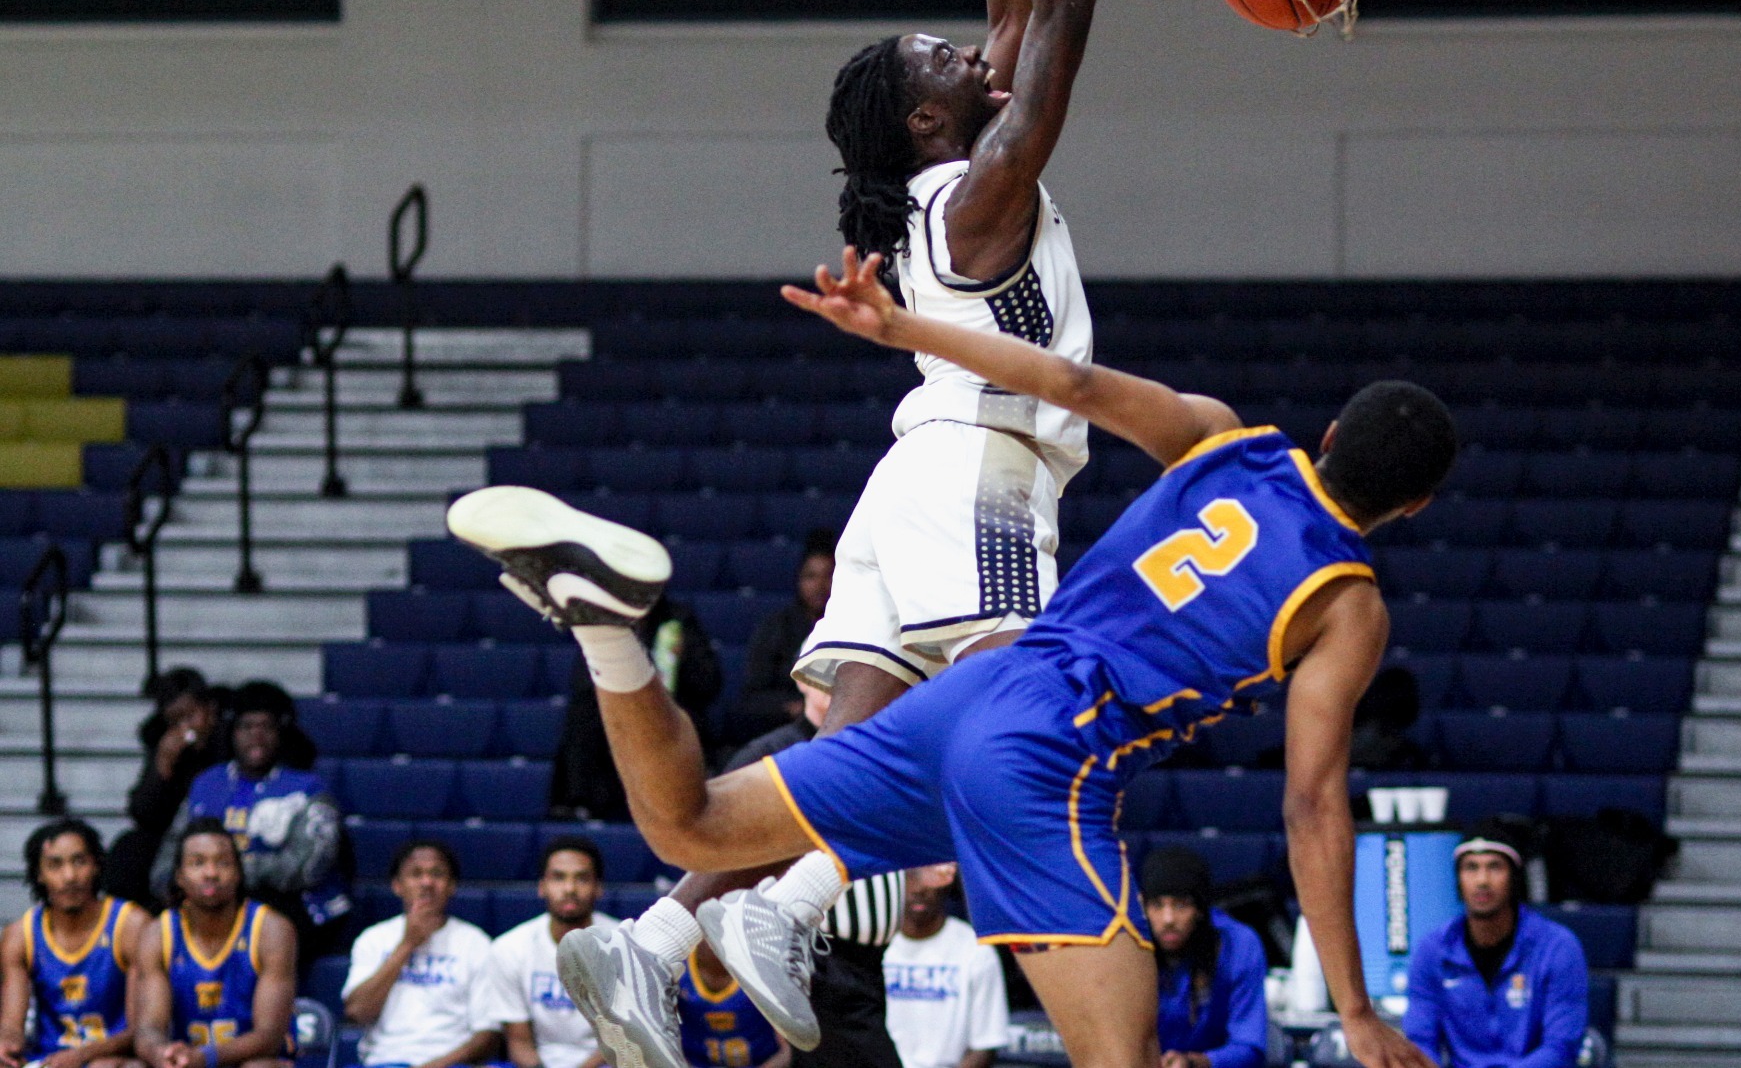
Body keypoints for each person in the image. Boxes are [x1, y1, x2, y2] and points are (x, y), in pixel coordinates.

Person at [451, 0, 1105, 1062]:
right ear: (928, 122)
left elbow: (1020, 20)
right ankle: (795, 903)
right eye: (943, 59)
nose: (971, 51)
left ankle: (652, 940)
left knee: (850, 751)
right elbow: (1062, 24)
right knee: (1013, 744)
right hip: (982, 472)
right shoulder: (978, 197)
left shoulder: (941, 184)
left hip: (906, 487)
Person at [446, 234, 1459, 1068]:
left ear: (1326, 433)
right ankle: (783, 902)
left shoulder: (1227, 439)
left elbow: (1067, 377)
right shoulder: (1347, 601)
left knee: (694, 828)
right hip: (1052, 753)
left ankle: (608, 631)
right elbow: (1311, 804)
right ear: (1412, 505)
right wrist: (1356, 1008)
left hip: (975, 690)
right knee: (1124, 1057)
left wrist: (900, 328)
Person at [724, 687, 899, 1068]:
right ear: (802, 681)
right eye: (833, 676)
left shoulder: (872, 747)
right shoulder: (770, 754)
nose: (851, 684)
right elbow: (720, 843)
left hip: (869, 960)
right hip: (815, 953)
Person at [151, 684, 348, 966]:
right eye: (246, 726)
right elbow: (173, 846)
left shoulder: (308, 788)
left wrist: (232, 874)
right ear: (231, 732)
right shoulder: (208, 783)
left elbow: (308, 866)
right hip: (214, 898)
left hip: (295, 905)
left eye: (266, 727)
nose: (256, 735)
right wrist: (169, 881)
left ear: (281, 733)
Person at [1400, 831, 1589, 1068]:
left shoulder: (1558, 946)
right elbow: (1420, 1040)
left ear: (1514, 878)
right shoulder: (1433, 950)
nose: (1482, 880)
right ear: (1458, 879)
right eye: (1471, 867)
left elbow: (1561, 1046)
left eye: (1495, 867)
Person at [129, 822, 297, 1068]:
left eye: (223, 863)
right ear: (179, 876)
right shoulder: (158, 934)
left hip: (251, 1061)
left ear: (239, 873)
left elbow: (269, 1036)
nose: (211, 873)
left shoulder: (271, 930)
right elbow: (148, 1028)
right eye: (198, 863)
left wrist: (205, 1058)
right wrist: (162, 1054)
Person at [552, 593, 725, 818]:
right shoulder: (603, 621)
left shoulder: (677, 620)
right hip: (613, 719)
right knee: (583, 719)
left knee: (688, 720)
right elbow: (584, 684)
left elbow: (709, 683)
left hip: (670, 715)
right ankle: (584, 803)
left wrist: (681, 663)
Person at [0, 819, 149, 1068]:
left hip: (111, 1060)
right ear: (39, 874)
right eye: (55, 865)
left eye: (79, 862)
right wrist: (6, 1043)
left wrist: (81, 1056)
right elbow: (12, 1026)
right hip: (49, 1059)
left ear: (96, 866)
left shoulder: (131, 925)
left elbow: (141, 1031)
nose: (69, 876)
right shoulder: (20, 934)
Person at [340, 842, 497, 1068]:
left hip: (450, 1063)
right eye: (416, 874)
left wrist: (432, 1066)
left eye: (437, 874)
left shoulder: (476, 943)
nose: (427, 883)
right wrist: (407, 945)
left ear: (452, 886)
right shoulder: (373, 939)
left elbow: (487, 1035)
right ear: (397, 885)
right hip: (385, 1061)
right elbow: (357, 1012)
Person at [483, 840, 615, 1068]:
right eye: (558, 877)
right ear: (542, 886)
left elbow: (627, 1037)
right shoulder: (509, 948)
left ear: (598, 887)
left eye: (582, 878)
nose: (570, 888)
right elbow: (519, 1042)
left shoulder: (627, 945)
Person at [107, 672, 227, 910]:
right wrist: (162, 767)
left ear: (210, 709)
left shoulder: (230, 739)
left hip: (223, 830)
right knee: (128, 850)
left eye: (191, 716)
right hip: (174, 836)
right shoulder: (165, 746)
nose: (185, 728)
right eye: (175, 721)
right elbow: (143, 815)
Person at [1137, 849, 1266, 1068]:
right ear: (1143, 907)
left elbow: (1250, 1047)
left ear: (1199, 909)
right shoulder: (1130, 944)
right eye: (1157, 905)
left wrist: (1195, 1063)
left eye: (1180, 905)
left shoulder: (1238, 944)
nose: (1168, 919)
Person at [881, 867, 1006, 1068]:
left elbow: (985, 1045)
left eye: (928, 875)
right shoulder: (869, 944)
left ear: (947, 879)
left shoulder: (976, 949)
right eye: (911, 875)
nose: (919, 888)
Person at [733, 537, 835, 738]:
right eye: (811, 576)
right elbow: (752, 697)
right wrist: (795, 706)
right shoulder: (776, 627)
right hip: (784, 727)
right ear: (798, 580)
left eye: (829, 575)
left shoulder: (852, 626)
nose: (820, 585)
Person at [677, 941, 786, 1068]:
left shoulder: (764, 971)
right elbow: (663, 1046)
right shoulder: (676, 970)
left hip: (762, 1062)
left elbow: (788, 1051)